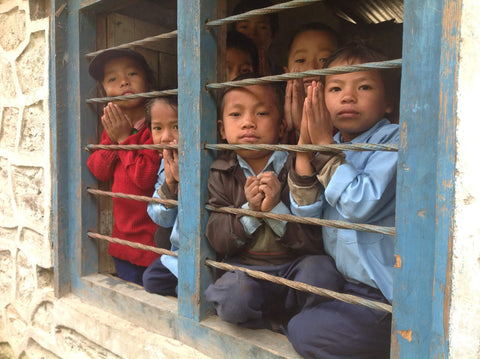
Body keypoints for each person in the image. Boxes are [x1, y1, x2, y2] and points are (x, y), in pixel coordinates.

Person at [204, 73, 344, 330]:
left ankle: (297, 324)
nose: (248, 123)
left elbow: (313, 238)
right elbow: (218, 238)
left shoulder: (298, 164)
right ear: (222, 130)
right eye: (236, 115)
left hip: (295, 266)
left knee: (323, 274)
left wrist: (276, 211)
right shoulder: (219, 171)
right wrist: (252, 212)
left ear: (281, 127)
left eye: (261, 114)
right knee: (234, 297)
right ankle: (270, 323)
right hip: (246, 269)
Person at [287, 42, 400, 358]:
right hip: (343, 282)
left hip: (382, 293)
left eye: (363, 86)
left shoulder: (394, 139)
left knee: (302, 331)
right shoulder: (332, 143)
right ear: (321, 101)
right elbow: (305, 209)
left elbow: (360, 204)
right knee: (309, 278)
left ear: (389, 101)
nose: (348, 96)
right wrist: (305, 143)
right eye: (335, 88)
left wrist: (322, 145)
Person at [87, 48, 160, 285]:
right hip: (122, 244)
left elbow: (145, 177)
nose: (124, 82)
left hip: (153, 246)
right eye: (112, 79)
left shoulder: (155, 129)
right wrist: (116, 138)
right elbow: (98, 169)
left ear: (148, 82)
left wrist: (124, 139)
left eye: (132, 74)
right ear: (104, 92)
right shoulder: (113, 129)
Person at [142, 96, 180, 297]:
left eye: (176, 126)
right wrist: (170, 184)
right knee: (151, 280)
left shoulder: (212, 161)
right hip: (179, 252)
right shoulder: (163, 165)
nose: (166, 136)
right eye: (158, 128)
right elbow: (160, 218)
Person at [283, 23, 340, 143]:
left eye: (324, 59)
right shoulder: (278, 122)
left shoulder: (346, 117)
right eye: (300, 60)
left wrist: (304, 128)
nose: (311, 68)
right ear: (286, 73)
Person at [231, 0, 283, 76]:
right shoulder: (222, 67)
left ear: (274, 35)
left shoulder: (281, 75)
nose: (252, 34)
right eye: (244, 27)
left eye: (262, 27)